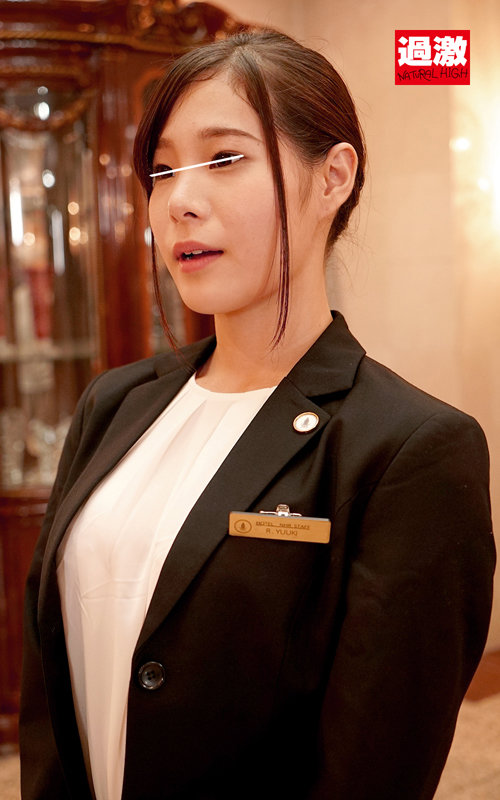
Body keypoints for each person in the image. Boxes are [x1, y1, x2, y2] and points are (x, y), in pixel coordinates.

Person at [20, 30, 495, 800]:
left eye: (223, 159)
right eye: (162, 170)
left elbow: (372, 766)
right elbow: (50, 693)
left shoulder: (410, 450)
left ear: (333, 177)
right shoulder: (115, 403)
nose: (180, 201)